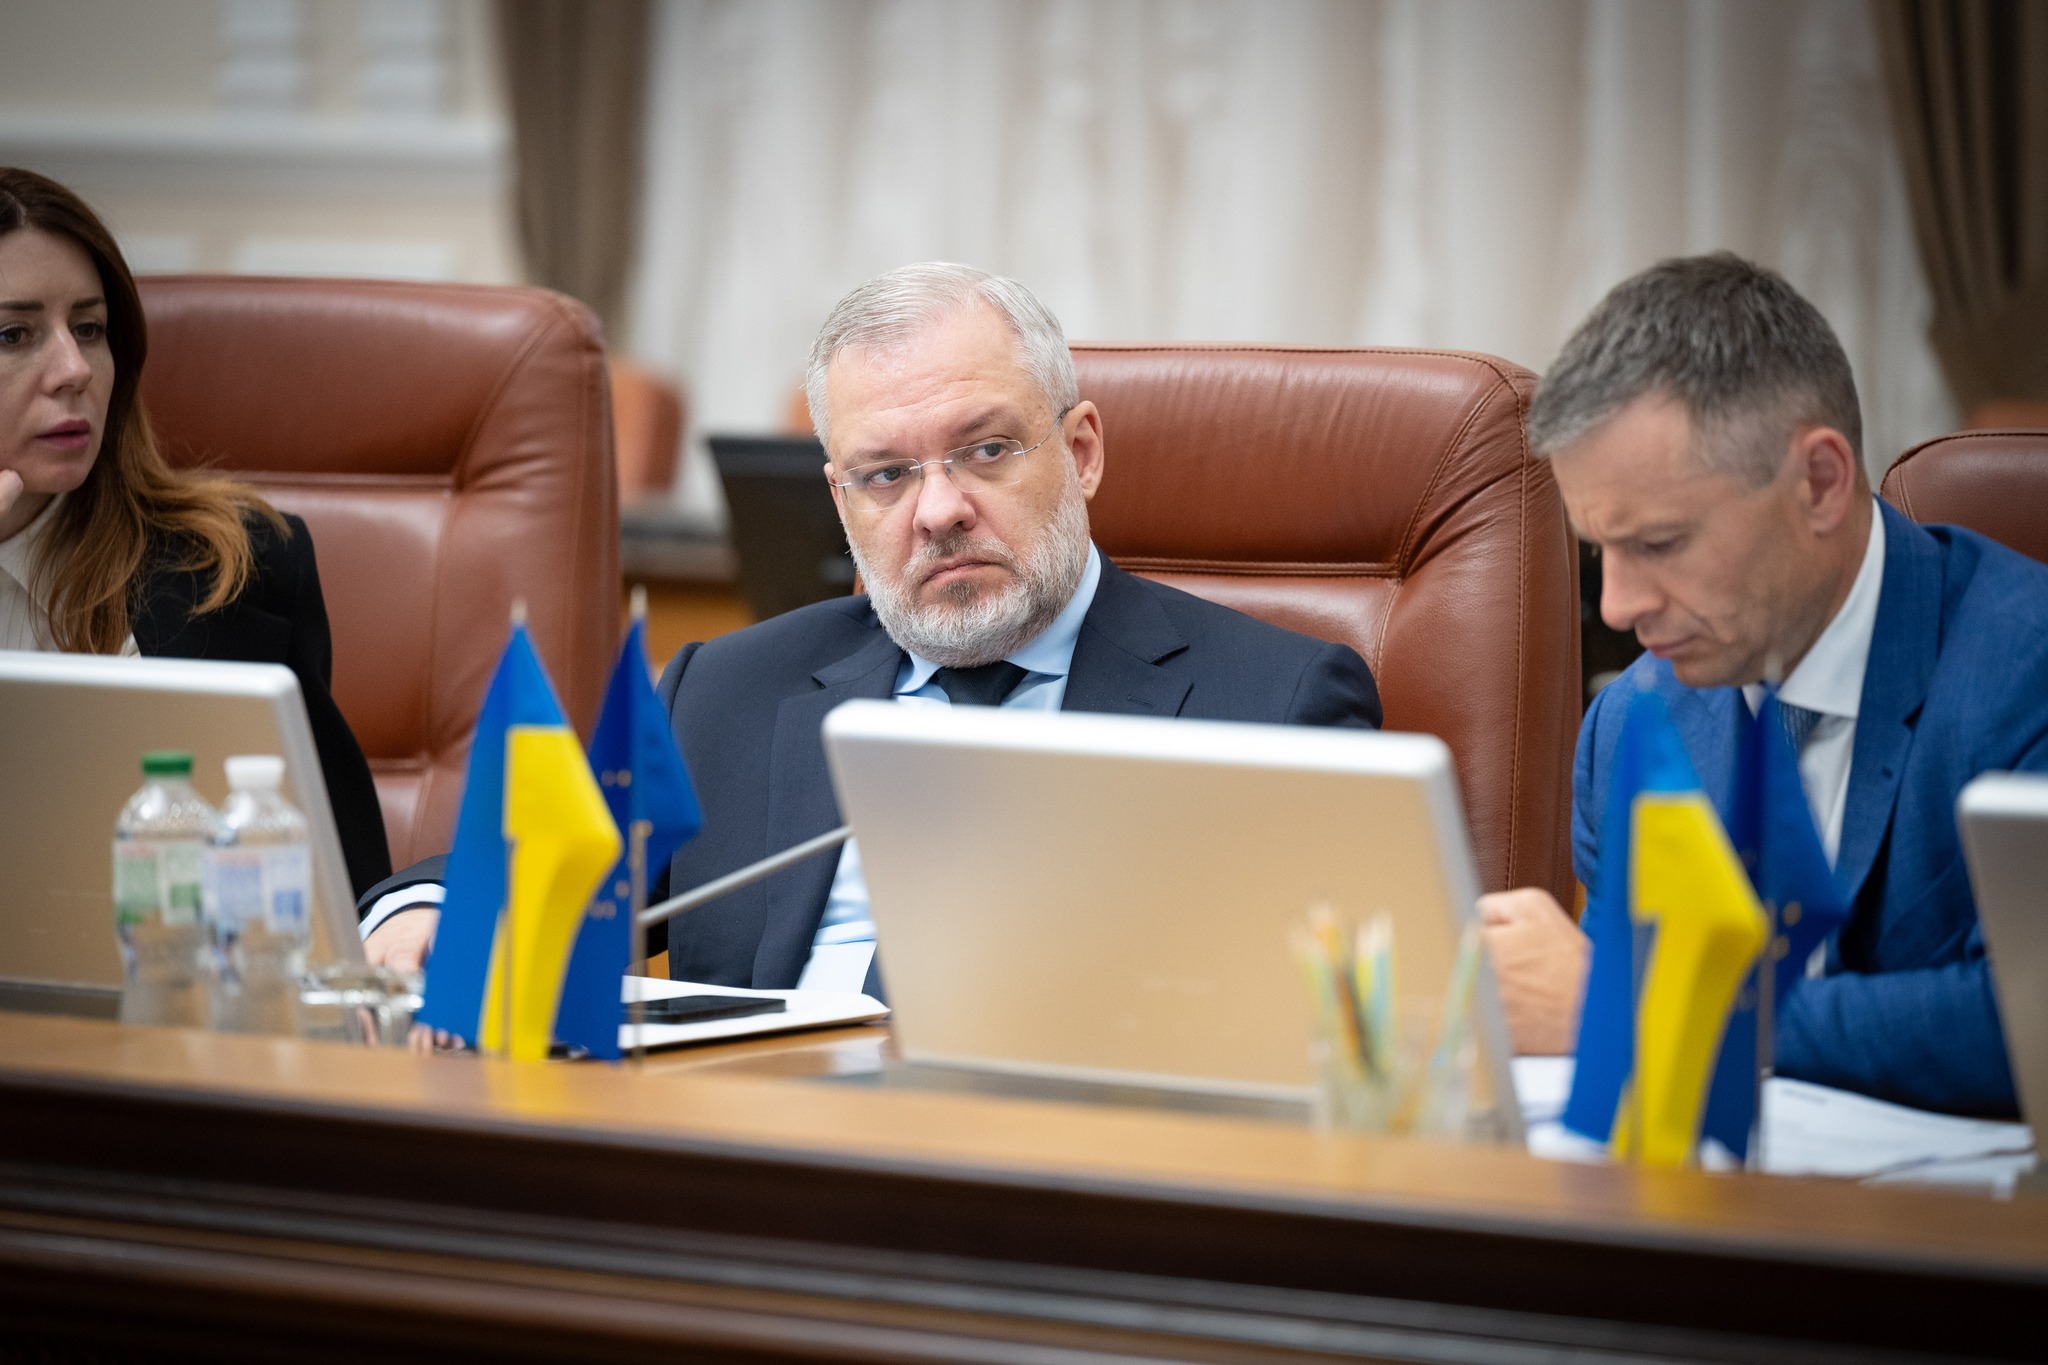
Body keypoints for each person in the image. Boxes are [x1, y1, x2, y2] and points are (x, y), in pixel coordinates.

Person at [361, 262, 1382, 991]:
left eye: (985, 451)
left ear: (1080, 453)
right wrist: (425, 910)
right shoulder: (727, 689)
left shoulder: (1273, 704)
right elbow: (524, 874)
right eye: (886, 474)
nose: (936, 510)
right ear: (840, 502)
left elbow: (1343, 1031)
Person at [1478, 253, 2048, 1117]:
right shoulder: (1631, 721)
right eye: (1600, 550)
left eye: (1659, 543)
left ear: (1819, 483)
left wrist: (1667, 1009)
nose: (1618, 605)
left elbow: (2022, 1022)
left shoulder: (2025, 672)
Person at [0, 167, 390, 896]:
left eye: (89, 328)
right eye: (13, 334)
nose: (74, 369)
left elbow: (347, 889)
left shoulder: (235, 567)